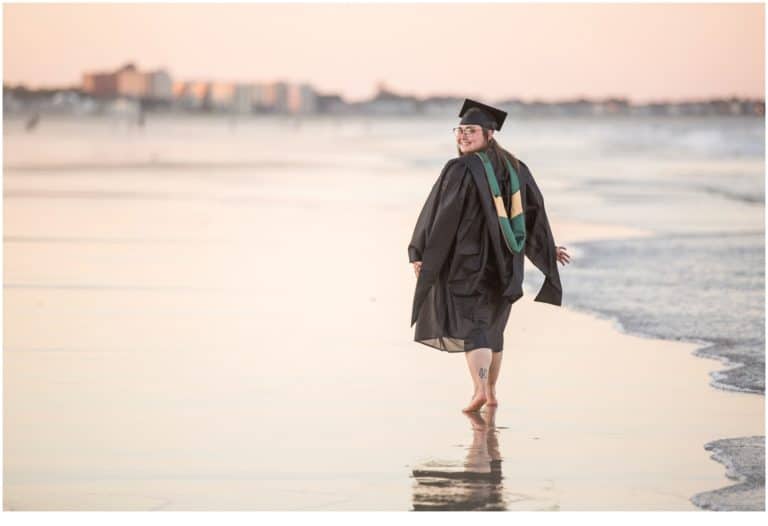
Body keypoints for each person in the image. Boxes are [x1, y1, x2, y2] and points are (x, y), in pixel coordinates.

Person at [408, 99, 571, 413]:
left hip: (468, 263)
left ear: (489, 134)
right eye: (460, 130)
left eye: (471, 131)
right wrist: (546, 250)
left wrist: (422, 252)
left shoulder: (460, 167)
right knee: (493, 328)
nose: (463, 137)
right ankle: (492, 392)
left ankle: (480, 389)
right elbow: (534, 214)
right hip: (508, 262)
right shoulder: (516, 168)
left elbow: (440, 215)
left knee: (475, 329)